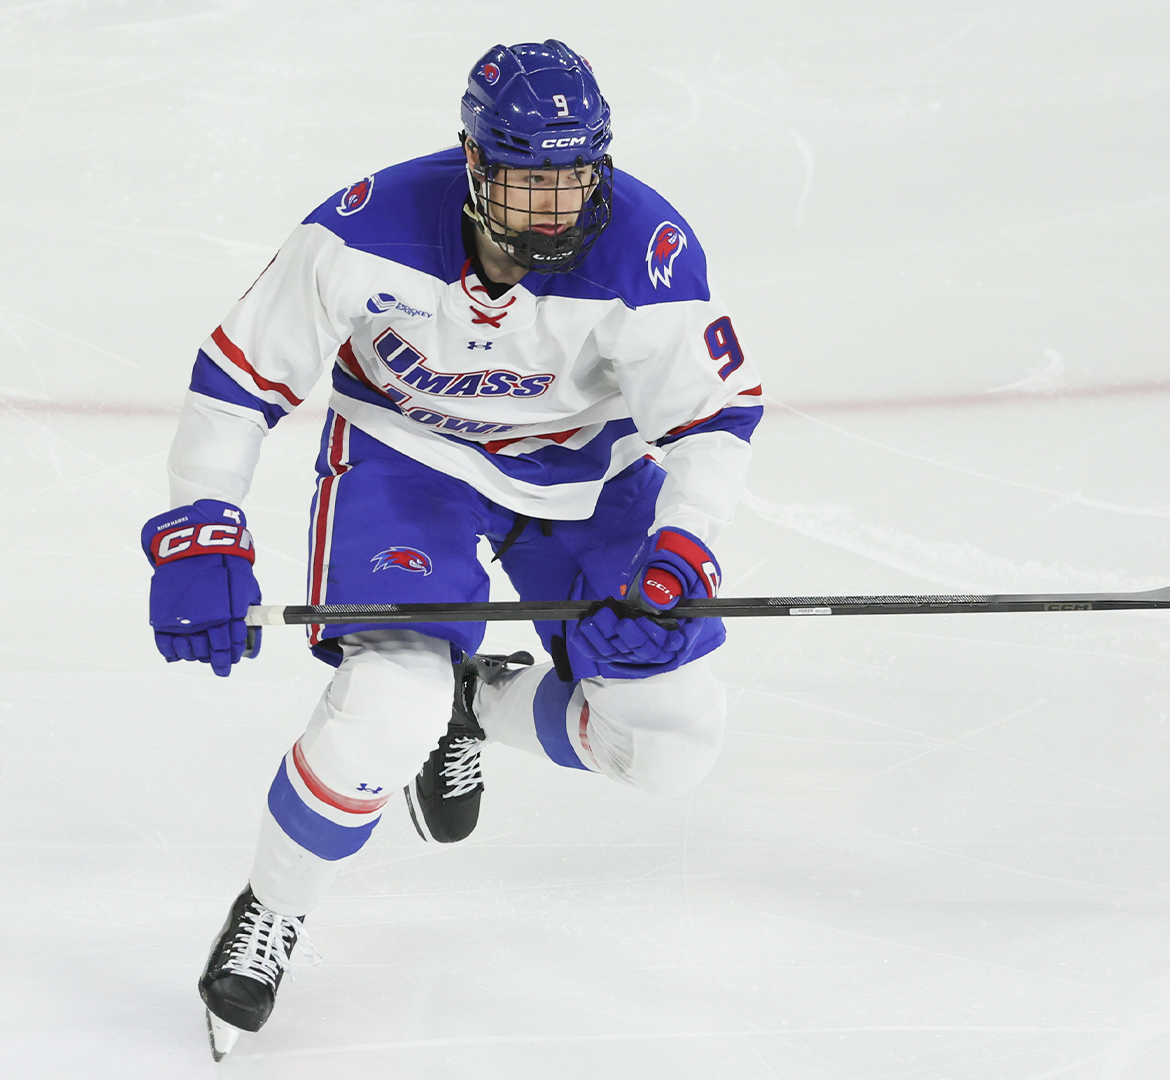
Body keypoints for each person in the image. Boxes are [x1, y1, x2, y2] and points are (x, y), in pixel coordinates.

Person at [137, 39, 763, 1059]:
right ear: (475, 164)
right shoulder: (364, 229)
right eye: (526, 182)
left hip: (583, 476)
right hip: (407, 460)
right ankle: (274, 908)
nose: (552, 210)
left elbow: (711, 421)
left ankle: (481, 704)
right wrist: (200, 528)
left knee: (669, 742)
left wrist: (681, 555)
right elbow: (239, 376)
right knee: (389, 708)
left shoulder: (647, 251)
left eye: (573, 180)